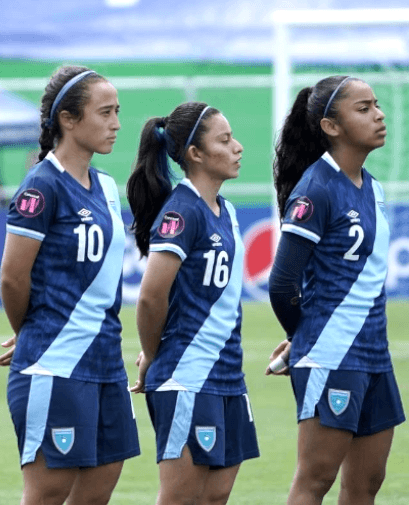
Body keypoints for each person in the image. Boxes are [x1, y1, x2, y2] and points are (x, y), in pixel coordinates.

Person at [0, 65, 140, 505]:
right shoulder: (42, 185)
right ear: (69, 120)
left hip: (106, 365)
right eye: (105, 112)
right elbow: (12, 277)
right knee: (48, 493)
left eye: (117, 112)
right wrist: (34, 332)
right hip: (54, 364)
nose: (116, 123)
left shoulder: (108, 188)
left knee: (100, 489)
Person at [267, 75, 403, 505]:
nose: (379, 115)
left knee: (367, 483)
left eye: (376, 105)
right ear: (331, 126)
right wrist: (302, 340)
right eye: (363, 109)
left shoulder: (374, 188)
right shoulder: (316, 189)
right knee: (316, 479)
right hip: (331, 353)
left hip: (375, 355)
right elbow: (283, 283)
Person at [126, 102, 257, 504]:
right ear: (195, 154)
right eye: (224, 139)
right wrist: (153, 355)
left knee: (216, 496)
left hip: (228, 376)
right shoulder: (182, 211)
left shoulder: (227, 212)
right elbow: (150, 297)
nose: (237, 147)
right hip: (186, 376)